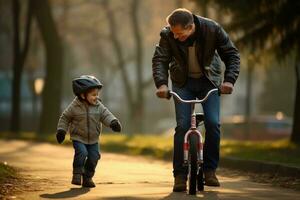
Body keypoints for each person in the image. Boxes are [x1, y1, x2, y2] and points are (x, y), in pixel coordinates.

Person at [152, 8, 240, 192]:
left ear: (191, 27)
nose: (175, 37)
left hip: (209, 82)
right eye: (173, 33)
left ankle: (209, 171)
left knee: (213, 123)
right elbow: (160, 59)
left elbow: (232, 55)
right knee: (182, 125)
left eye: (179, 33)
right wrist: (161, 84)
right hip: (182, 83)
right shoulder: (168, 35)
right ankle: (180, 176)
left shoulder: (212, 29)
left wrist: (229, 81)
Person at [56, 75, 122, 188]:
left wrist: (113, 122)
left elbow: (106, 114)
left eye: (97, 94)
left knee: (94, 157)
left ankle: (87, 177)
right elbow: (65, 117)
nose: (96, 97)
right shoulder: (74, 106)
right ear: (82, 95)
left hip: (93, 139)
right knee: (82, 153)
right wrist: (61, 130)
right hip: (78, 137)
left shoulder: (98, 106)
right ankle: (77, 173)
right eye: (93, 95)